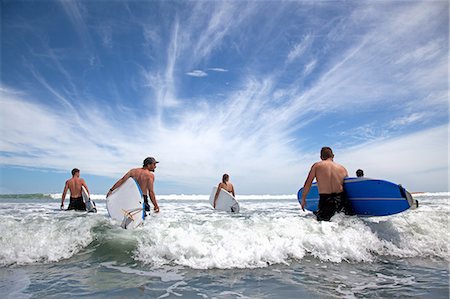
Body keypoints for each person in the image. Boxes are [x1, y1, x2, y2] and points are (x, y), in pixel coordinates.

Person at [300, 147, 352, 221]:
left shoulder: (317, 166)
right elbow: (348, 186)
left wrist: (303, 199)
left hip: (326, 200)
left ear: (321, 157)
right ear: (333, 156)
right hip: (341, 199)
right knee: (344, 221)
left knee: (324, 223)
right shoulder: (342, 168)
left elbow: (308, 183)